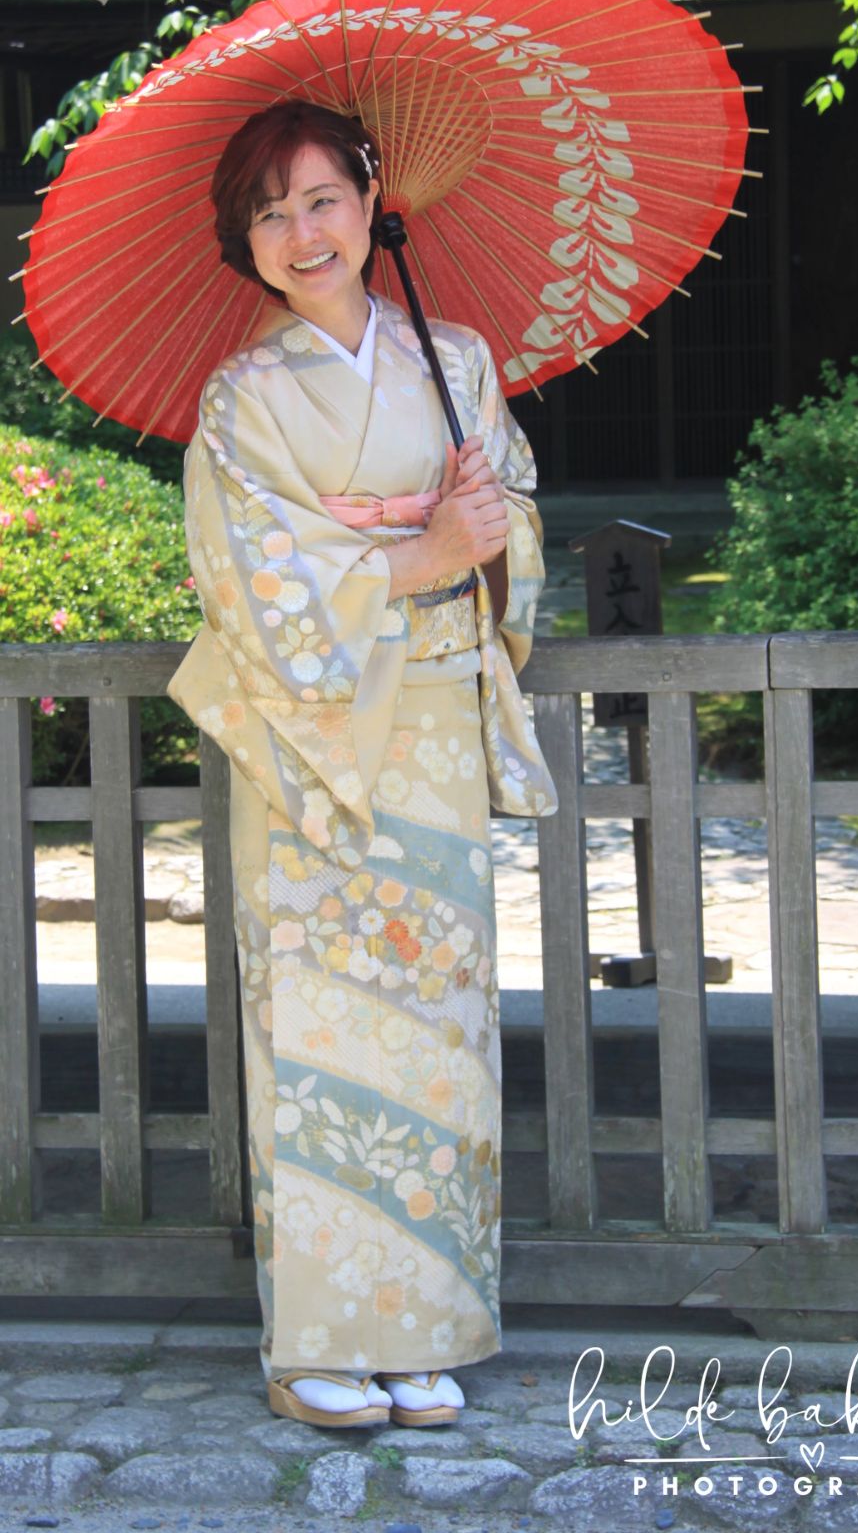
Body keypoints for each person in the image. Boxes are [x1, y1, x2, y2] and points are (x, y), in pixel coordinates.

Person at [167, 99, 557, 1431]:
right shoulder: (242, 401)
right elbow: (251, 583)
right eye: (268, 213)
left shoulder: (457, 357)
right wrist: (419, 556)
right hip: (314, 746)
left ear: (373, 198)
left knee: (435, 1040)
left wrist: (492, 537)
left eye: (321, 198)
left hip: (435, 728)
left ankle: (427, 1326)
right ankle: (315, 1336)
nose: (299, 232)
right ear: (250, 243)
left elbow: (513, 528)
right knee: (322, 1037)